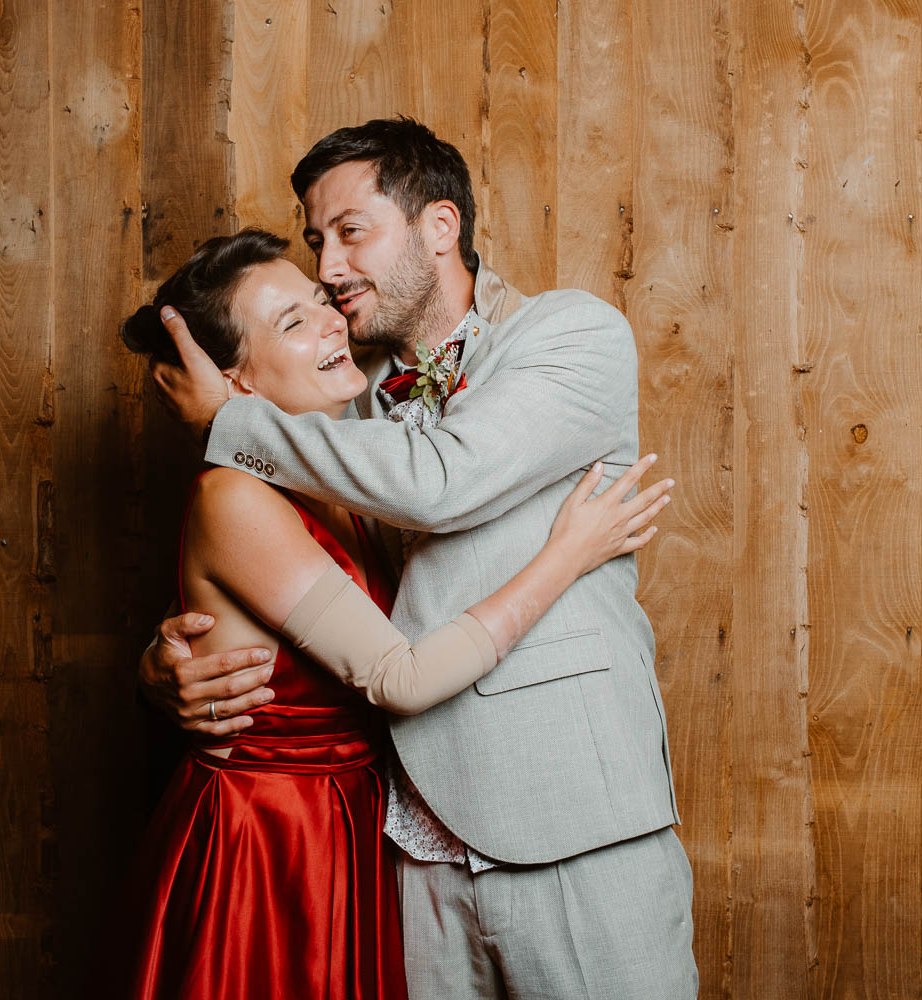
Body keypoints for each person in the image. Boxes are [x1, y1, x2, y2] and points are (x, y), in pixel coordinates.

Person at [143, 118, 699, 999]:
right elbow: (295, 582)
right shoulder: (337, 398)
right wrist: (174, 662)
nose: (329, 269)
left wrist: (228, 419)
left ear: (440, 227)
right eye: (317, 241)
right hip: (401, 847)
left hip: (570, 823)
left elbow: (438, 484)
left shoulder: (570, 335)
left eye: (350, 233)